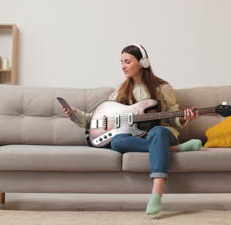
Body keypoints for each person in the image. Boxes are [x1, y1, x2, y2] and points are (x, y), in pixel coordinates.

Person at [61, 44, 202, 215]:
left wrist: (183, 118)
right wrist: (77, 115)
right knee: (118, 141)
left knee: (158, 132)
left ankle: (156, 194)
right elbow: (102, 118)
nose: (123, 66)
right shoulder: (121, 90)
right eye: (121, 62)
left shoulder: (163, 88)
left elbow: (173, 116)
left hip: (162, 133)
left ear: (143, 63)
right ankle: (176, 149)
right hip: (138, 137)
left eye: (127, 61)